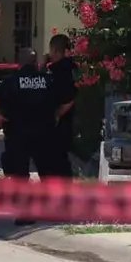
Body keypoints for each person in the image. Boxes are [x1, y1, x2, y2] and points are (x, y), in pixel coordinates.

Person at [0, 47, 58, 226]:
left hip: (17, 133)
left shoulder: (10, 81)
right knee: (48, 171)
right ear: (36, 63)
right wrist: (56, 115)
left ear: (19, 63)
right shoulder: (48, 79)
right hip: (44, 133)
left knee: (20, 175)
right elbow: (63, 98)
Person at [46, 34, 78, 177]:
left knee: (56, 163)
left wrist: (57, 115)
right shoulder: (75, 68)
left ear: (56, 51)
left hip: (60, 124)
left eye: (51, 51)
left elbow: (69, 98)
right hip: (74, 123)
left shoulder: (57, 70)